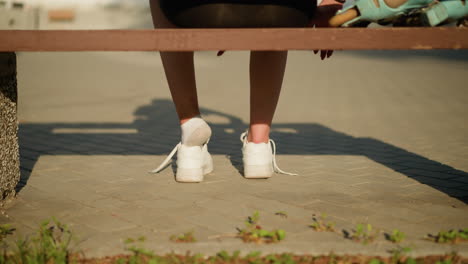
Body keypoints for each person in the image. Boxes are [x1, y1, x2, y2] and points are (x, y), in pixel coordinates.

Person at [149, 0, 342, 183]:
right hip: (288, 11)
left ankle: (190, 126)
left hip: (196, 10)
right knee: (275, 18)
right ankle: (258, 143)